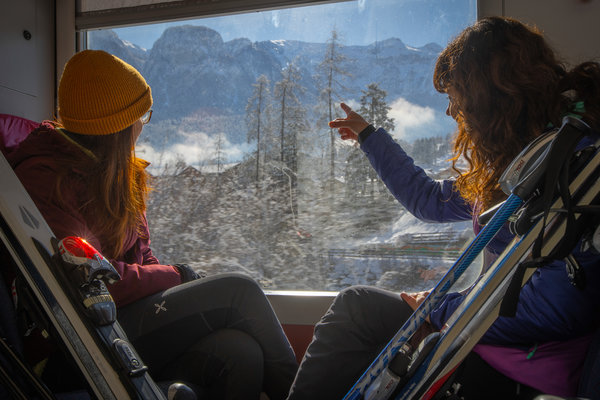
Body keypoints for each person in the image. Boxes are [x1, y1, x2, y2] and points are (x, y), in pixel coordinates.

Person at [286, 16, 600, 399]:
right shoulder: (520, 168)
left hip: (521, 366)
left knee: (358, 310)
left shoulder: (577, 169)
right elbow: (429, 199)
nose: (451, 113)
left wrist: (439, 309)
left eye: (456, 97)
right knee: (359, 313)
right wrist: (370, 137)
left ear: (490, 96)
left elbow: (558, 306)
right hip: (481, 335)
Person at [6, 49, 298, 400]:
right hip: (70, 342)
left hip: (117, 318)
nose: (143, 125)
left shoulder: (117, 176)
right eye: (140, 114)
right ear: (115, 127)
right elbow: (88, 283)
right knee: (240, 292)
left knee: (239, 353)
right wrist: (177, 276)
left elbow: (141, 259)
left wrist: (168, 276)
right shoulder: (43, 178)